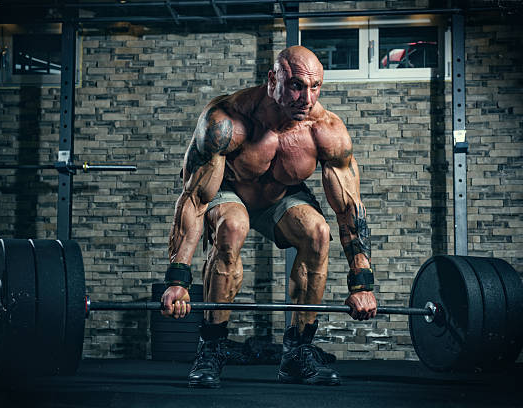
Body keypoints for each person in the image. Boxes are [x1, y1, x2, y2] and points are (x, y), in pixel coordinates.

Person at [161, 45, 377, 388]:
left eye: (316, 86)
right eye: (295, 86)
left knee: (318, 233)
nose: (306, 98)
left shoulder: (327, 131)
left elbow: (349, 209)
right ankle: (211, 347)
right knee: (233, 226)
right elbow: (194, 200)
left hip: (280, 196)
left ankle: (297, 353)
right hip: (230, 190)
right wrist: (178, 279)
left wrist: (362, 282)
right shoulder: (226, 121)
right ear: (272, 80)